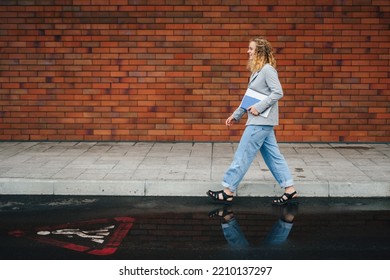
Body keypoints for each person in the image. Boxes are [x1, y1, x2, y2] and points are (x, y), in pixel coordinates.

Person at [207, 37, 297, 205]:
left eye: (251, 49)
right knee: (273, 156)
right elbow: (250, 98)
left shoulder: (268, 70)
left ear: (259, 52)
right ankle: (289, 189)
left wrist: (259, 107)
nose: (247, 51)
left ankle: (228, 191)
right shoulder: (257, 71)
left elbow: (278, 92)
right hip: (261, 121)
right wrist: (236, 115)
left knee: (242, 154)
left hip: (260, 121)